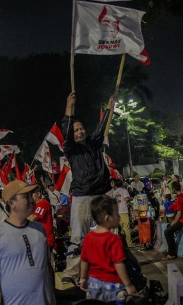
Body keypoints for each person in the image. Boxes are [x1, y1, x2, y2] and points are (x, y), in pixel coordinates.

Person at [61, 90, 116, 284]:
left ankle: (108, 264)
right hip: (82, 196)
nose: (80, 131)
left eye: (81, 128)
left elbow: (102, 127)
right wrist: (69, 107)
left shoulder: (94, 144)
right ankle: (72, 271)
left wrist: (110, 105)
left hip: (100, 193)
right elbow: (66, 130)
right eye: (76, 130)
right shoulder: (71, 149)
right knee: (78, 234)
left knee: (107, 231)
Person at [0, 180, 55, 305]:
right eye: (26, 196)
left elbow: (46, 268)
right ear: (11, 203)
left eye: (31, 195)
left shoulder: (39, 229)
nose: (31, 200)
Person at [79, 196, 136, 302]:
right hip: (112, 284)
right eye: (116, 214)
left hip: (93, 283)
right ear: (107, 218)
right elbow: (119, 264)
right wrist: (128, 285)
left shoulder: (88, 237)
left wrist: (83, 278)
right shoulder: (114, 239)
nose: (118, 217)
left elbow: (84, 260)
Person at [162, 182, 183, 260]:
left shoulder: (180, 199)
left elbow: (178, 215)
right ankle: (171, 248)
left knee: (167, 231)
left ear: (174, 190)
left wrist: (173, 223)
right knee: (169, 227)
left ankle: (172, 253)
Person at [29, 186, 56, 251]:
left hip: (46, 239)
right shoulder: (36, 205)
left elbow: (32, 219)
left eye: (32, 194)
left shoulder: (43, 203)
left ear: (38, 194)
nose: (30, 197)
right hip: (39, 239)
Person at [111, 179, 134, 247]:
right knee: (126, 227)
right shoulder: (124, 190)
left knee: (120, 228)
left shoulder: (114, 192)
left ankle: (122, 242)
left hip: (117, 212)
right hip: (123, 211)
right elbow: (126, 199)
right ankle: (129, 243)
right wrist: (131, 198)